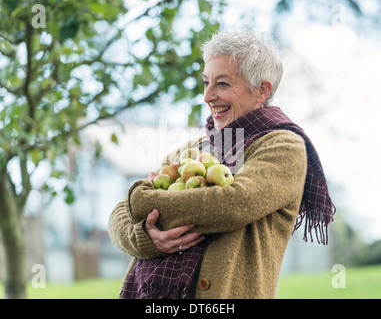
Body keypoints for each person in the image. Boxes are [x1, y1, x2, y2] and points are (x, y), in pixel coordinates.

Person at [108, 29, 335, 299]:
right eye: (206, 82)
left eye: (223, 84)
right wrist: (146, 238)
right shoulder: (193, 149)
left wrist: (145, 202)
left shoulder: (282, 147)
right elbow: (119, 214)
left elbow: (232, 204)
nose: (207, 96)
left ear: (262, 90)